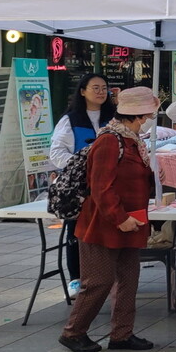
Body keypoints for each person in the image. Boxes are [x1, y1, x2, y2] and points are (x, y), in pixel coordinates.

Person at [58, 86, 161, 352]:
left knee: (128, 280)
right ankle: (73, 332)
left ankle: (121, 335)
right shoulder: (110, 140)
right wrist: (120, 218)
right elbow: (101, 187)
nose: (151, 117)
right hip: (104, 224)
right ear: (140, 115)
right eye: (149, 113)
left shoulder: (132, 140)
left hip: (131, 222)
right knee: (98, 281)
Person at [49, 73, 116, 297]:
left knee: (107, 228)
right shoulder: (70, 120)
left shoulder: (114, 118)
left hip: (109, 184)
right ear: (82, 91)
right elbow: (56, 153)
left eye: (104, 88)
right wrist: (83, 163)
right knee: (76, 230)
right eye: (95, 87)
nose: (100, 92)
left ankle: (106, 277)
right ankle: (76, 278)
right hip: (79, 186)